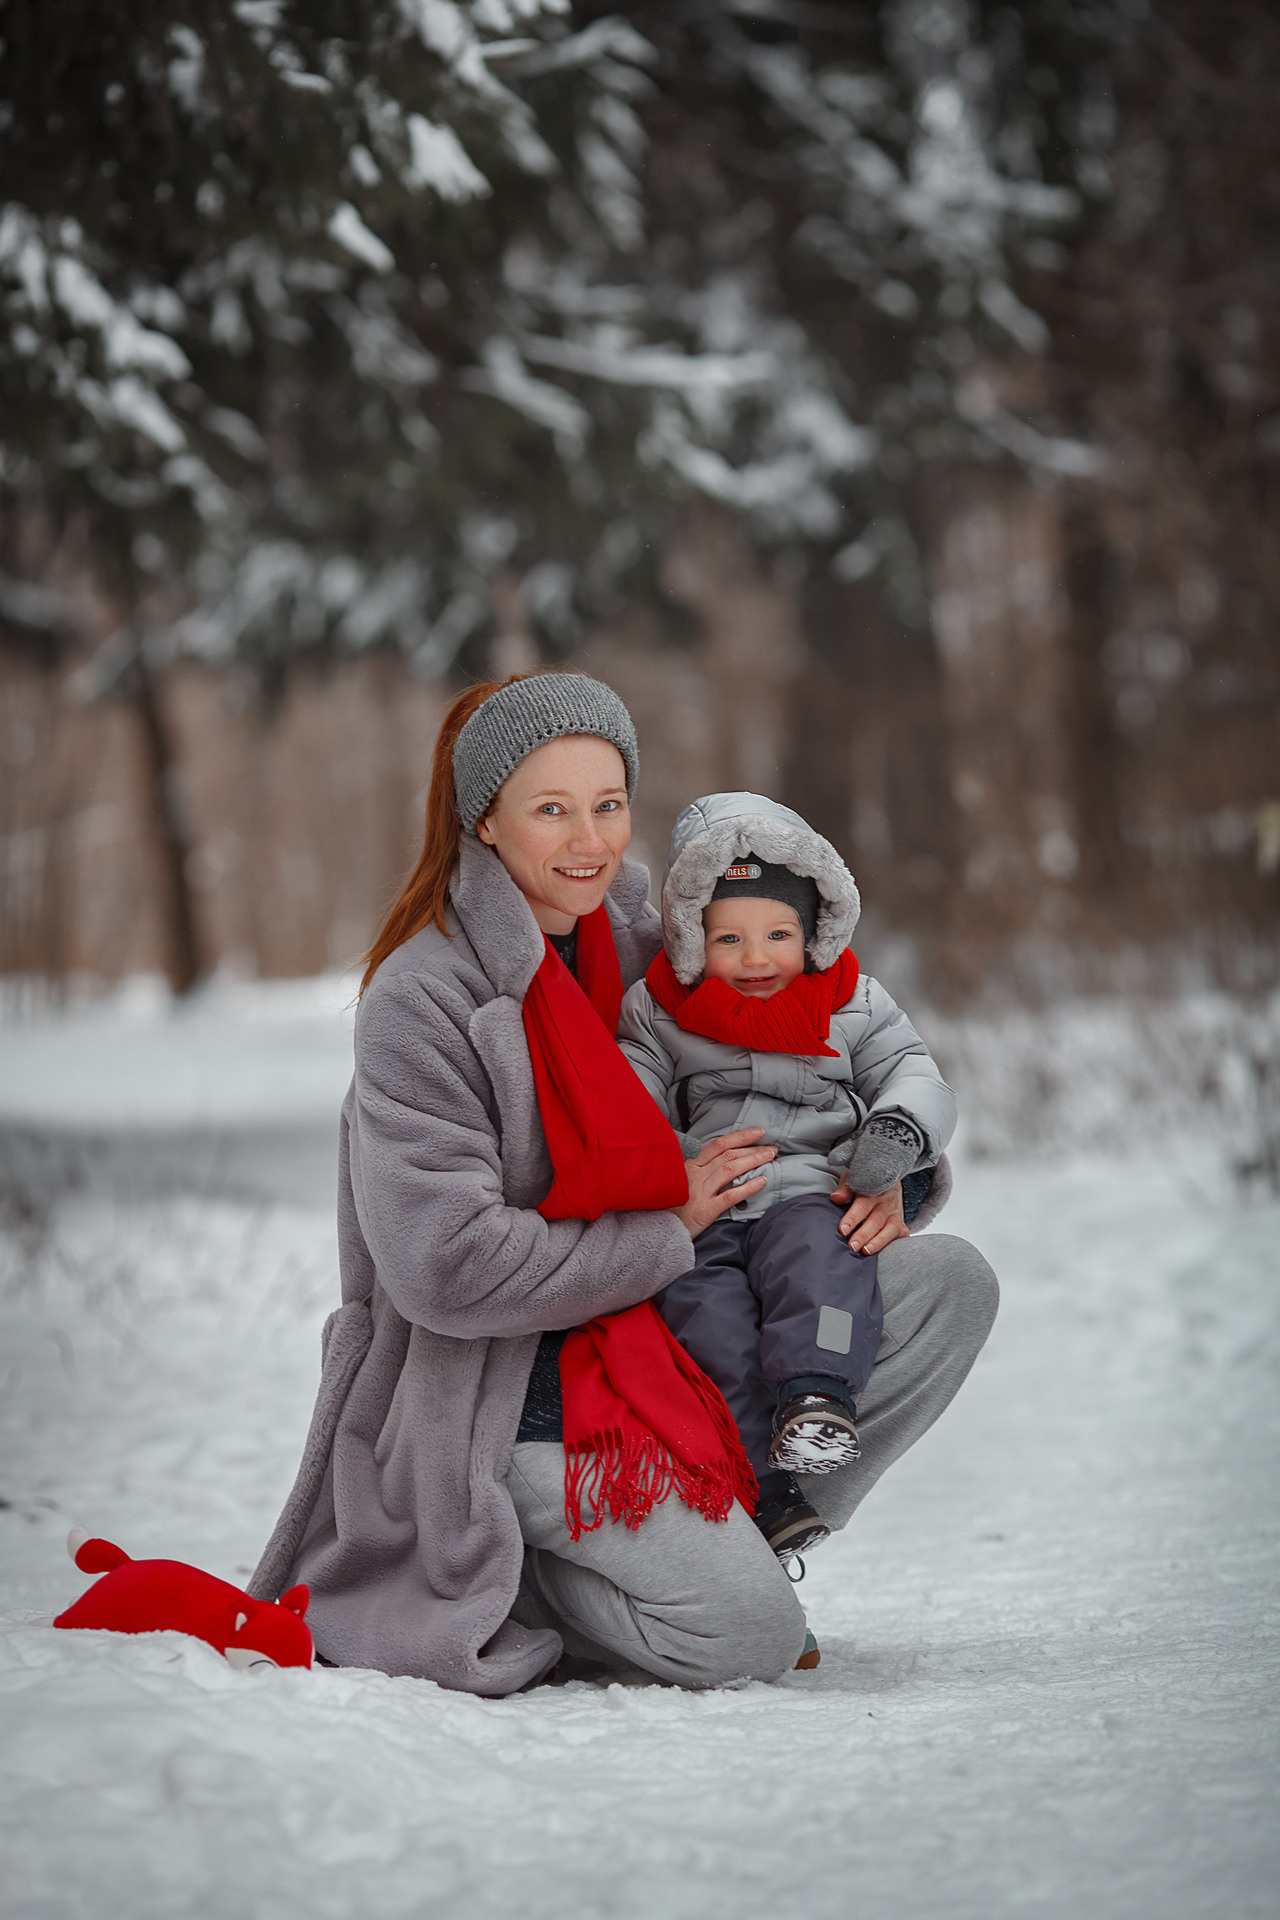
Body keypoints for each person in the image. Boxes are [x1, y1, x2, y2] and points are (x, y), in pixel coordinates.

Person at [250, 672, 998, 1696]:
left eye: (607, 805)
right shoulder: (422, 999)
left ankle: (751, 1511)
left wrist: (881, 1176)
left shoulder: (663, 942)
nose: (588, 841)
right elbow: (443, 1267)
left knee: (948, 1283)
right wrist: (667, 1228)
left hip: (674, 1328)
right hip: (508, 1391)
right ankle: (524, 1583)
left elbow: (801, 1064)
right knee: (748, 1639)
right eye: (551, 810)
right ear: (484, 821)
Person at [618, 792, 957, 1564]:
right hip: (707, 1206)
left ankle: (819, 1395)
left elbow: (913, 1071)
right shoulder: (659, 1011)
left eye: (778, 934)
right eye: (729, 939)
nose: (757, 958)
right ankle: (765, 1488)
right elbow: (630, 1099)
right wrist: (667, 1163)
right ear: (693, 937)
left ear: (813, 931)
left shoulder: (851, 1001)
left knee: (823, 1273)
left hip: (810, 1191)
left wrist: (897, 1132)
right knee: (708, 1322)